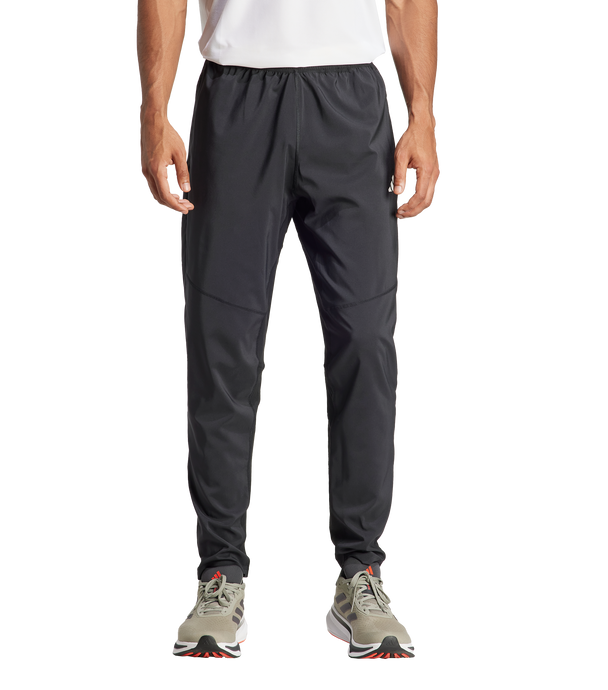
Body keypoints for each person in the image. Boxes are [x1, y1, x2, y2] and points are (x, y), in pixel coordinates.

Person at [136, 0, 440, 662]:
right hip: (235, 96)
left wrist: (423, 114)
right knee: (222, 345)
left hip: (352, 98)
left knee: (367, 340)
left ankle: (361, 573)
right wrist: (154, 111)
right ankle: (220, 574)